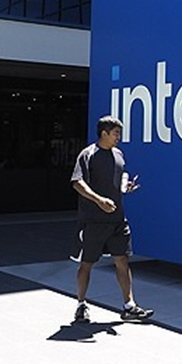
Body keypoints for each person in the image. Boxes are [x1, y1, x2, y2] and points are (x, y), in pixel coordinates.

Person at [70, 115, 153, 323]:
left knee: (122, 260)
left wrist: (125, 188)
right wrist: (99, 200)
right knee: (87, 264)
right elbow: (77, 182)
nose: (119, 137)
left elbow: (118, 180)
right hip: (93, 221)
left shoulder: (119, 154)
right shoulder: (88, 154)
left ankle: (129, 306)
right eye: (116, 133)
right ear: (104, 133)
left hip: (117, 220)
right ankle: (81, 305)